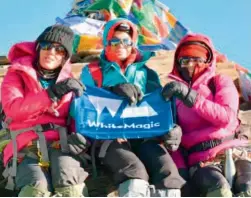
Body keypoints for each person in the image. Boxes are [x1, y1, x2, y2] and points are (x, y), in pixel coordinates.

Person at [78, 18, 185, 197]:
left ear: (133, 43)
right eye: (115, 41)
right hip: (109, 137)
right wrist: (111, 91)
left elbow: (160, 108)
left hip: (144, 137)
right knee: (134, 171)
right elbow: (81, 106)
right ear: (106, 43)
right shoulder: (92, 71)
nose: (121, 45)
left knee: (167, 171)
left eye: (126, 41)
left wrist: (172, 127)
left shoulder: (147, 74)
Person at [1, 24, 89, 197]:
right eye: (46, 46)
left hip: (61, 144)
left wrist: (80, 138)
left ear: (65, 57)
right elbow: (13, 110)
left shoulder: (70, 81)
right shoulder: (16, 74)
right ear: (38, 48)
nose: (51, 52)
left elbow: (77, 116)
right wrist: (51, 93)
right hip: (24, 143)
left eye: (59, 50)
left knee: (69, 182)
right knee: (36, 187)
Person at [161, 33, 251, 197]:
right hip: (201, 161)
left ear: (208, 61)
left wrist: (191, 97)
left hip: (235, 150)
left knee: (248, 186)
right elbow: (174, 142)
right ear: (178, 63)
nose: (190, 65)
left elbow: (227, 117)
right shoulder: (173, 98)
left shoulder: (219, 82)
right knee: (219, 189)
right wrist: (180, 173)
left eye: (197, 59)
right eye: (185, 60)